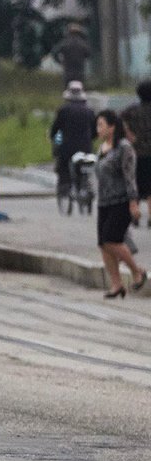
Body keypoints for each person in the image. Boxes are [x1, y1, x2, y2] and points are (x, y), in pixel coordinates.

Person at [93, 110, 147, 298]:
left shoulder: (124, 147)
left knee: (111, 239)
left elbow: (130, 177)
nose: (97, 129)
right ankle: (116, 284)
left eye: (101, 125)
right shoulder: (102, 148)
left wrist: (133, 203)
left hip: (121, 202)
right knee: (103, 243)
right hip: (104, 202)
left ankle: (136, 271)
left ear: (112, 126)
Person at [49, 81, 95, 200]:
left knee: (63, 164)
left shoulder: (63, 110)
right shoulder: (89, 111)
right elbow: (94, 130)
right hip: (86, 147)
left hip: (67, 148)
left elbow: (56, 129)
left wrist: (53, 137)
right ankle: (85, 185)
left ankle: (65, 186)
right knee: (84, 165)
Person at [119, 79, 151, 224]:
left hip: (135, 152)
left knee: (135, 184)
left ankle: (135, 214)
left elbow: (119, 119)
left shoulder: (132, 109)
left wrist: (128, 133)